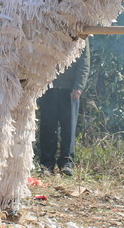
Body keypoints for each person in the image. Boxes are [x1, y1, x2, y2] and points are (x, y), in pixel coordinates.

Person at [38, 40, 90, 176]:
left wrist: (79, 86)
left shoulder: (80, 32)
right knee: (47, 127)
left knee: (69, 128)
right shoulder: (49, 26)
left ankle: (66, 164)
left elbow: (84, 61)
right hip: (48, 87)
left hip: (70, 89)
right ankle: (46, 165)